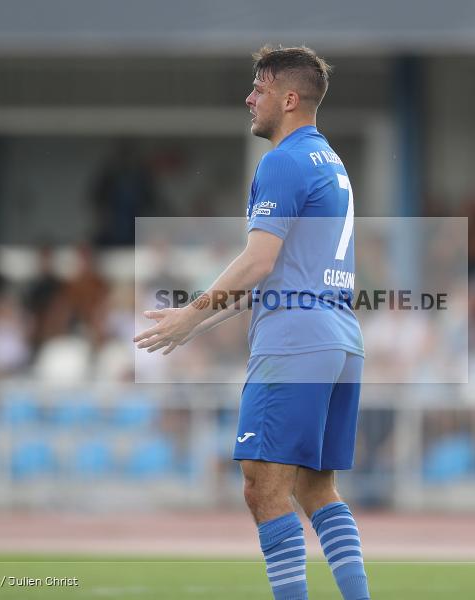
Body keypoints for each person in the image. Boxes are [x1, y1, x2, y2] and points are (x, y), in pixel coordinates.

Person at [134, 46, 369, 600]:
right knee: (315, 488)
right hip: (339, 336)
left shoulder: (281, 162)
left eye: (259, 88)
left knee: (263, 489)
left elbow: (259, 262)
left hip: (296, 339)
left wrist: (191, 314)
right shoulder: (329, 161)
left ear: (289, 99)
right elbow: (278, 272)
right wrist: (197, 325)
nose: (249, 98)